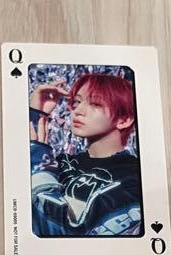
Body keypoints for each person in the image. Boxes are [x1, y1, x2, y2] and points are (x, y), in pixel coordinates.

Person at [29, 70, 143, 238]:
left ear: (124, 120)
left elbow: (71, 233)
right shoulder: (63, 163)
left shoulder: (134, 178)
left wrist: (37, 158)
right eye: (77, 102)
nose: (78, 111)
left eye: (95, 104)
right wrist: (36, 114)